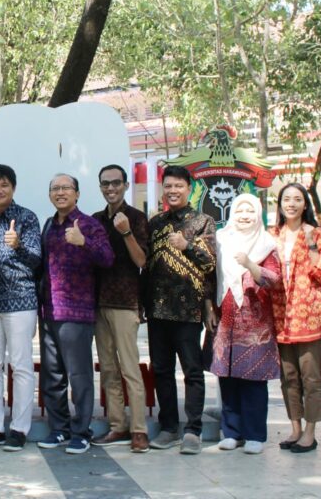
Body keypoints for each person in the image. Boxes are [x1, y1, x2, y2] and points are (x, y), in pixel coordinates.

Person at [37, 173, 114, 455]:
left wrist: (84, 242)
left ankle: (81, 431)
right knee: (53, 375)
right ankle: (59, 429)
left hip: (77, 313)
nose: (60, 193)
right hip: (49, 311)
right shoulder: (48, 226)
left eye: (66, 188)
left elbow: (107, 259)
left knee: (79, 375)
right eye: (54, 188)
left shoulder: (89, 225)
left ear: (77, 194)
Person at [143, 165, 216, 455]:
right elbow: (145, 267)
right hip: (157, 310)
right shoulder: (155, 222)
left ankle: (193, 430)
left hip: (188, 310)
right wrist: (140, 303)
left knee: (192, 371)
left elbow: (210, 266)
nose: (173, 191)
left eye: (179, 186)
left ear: (189, 188)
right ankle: (169, 427)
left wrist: (187, 246)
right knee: (161, 370)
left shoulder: (203, 221)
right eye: (168, 186)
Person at [0, 165, 41, 452]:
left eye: (3, 185)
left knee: (21, 365)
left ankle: (19, 428)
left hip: (20, 301)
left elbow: (37, 260)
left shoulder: (26, 218)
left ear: (13, 188)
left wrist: (18, 247)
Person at [209, 194, 281, 455]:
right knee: (227, 376)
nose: (244, 215)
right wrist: (208, 306)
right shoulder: (220, 240)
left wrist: (251, 264)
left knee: (253, 378)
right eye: (240, 210)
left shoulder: (266, 243)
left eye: (250, 210)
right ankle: (231, 432)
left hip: (255, 322)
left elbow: (274, 279)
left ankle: (254, 435)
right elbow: (210, 275)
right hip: (226, 316)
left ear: (258, 213)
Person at [90, 165, 150, 453]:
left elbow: (141, 261)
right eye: (105, 183)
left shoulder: (137, 218)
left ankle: (139, 430)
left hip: (126, 304)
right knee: (109, 370)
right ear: (100, 187)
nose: (110, 188)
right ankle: (118, 426)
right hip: (99, 302)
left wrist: (126, 233)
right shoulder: (95, 220)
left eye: (116, 183)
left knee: (129, 369)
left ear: (126, 185)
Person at [270, 182, 321, 454]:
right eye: (286, 199)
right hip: (281, 315)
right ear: (280, 204)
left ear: (305, 204)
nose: (291, 204)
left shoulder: (315, 233)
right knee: (288, 377)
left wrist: (310, 243)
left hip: (307, 316)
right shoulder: (274, 234)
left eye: (297, 199)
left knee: (310, 377)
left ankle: (310, 431)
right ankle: (294, 428)